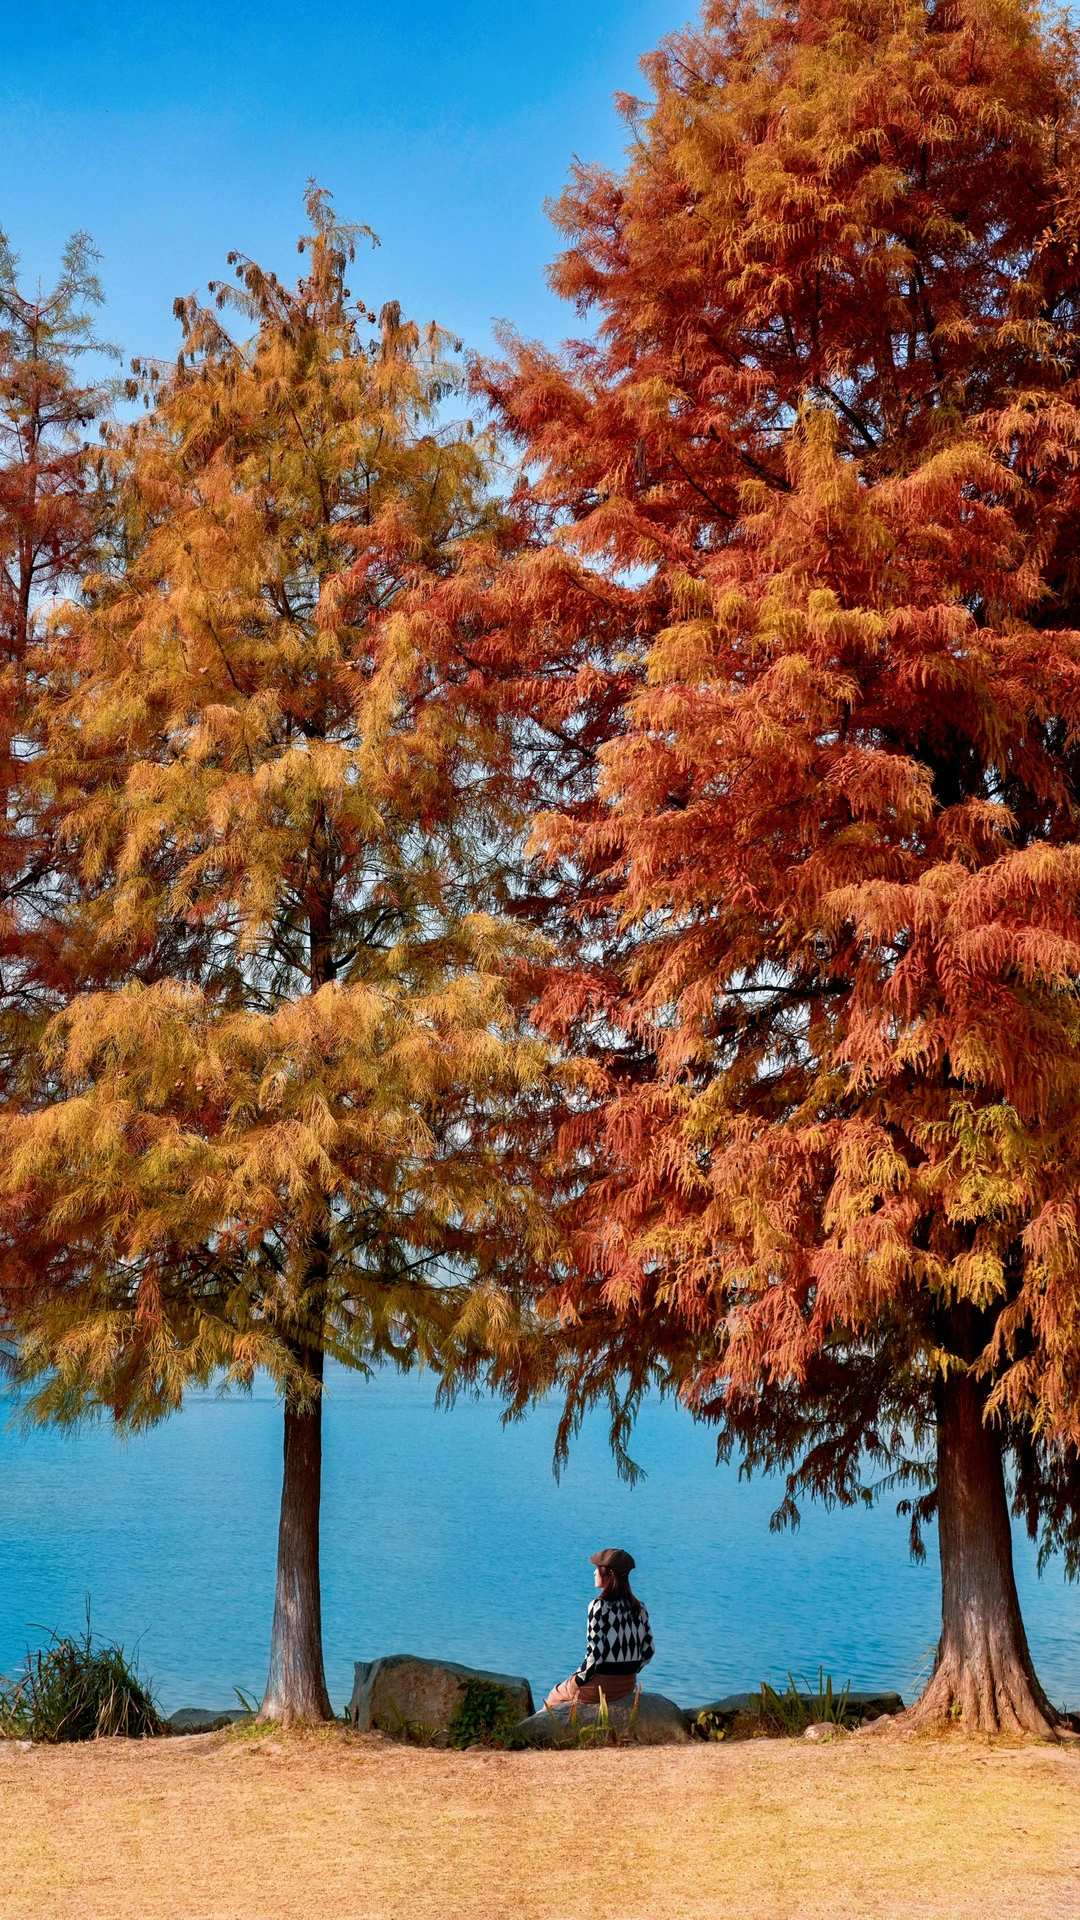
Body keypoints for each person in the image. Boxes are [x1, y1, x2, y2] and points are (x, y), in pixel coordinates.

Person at [544, 1547, 654, 1709]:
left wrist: (578, 1679)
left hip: (601, 1686)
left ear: (609, 1573)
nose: (594, 1573)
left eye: (597, 1569)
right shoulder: (640, 1608)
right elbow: (649, 1651)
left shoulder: (599, 1606)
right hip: (628, 1683)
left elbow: (596, 1654)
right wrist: (629, 1672)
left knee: (555, 1695)